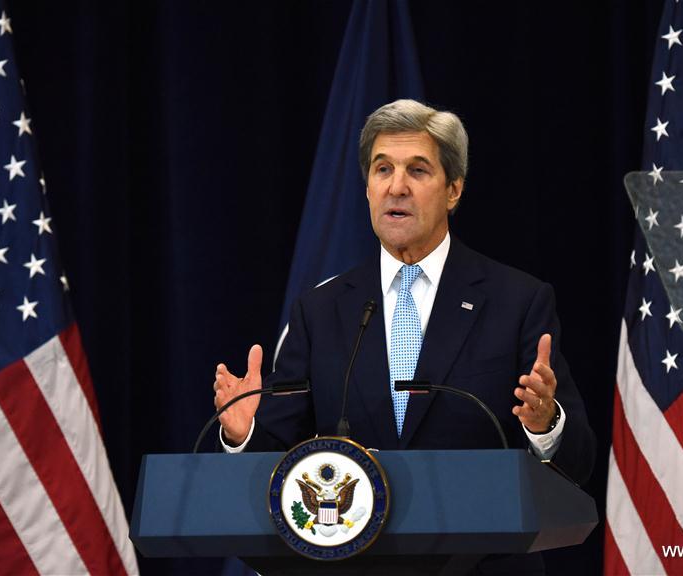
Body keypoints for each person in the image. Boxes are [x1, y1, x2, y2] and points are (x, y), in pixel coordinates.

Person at [213, 99, 595, 573]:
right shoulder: (321, 310)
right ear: (367, 188)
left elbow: (579, 462)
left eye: (418, 170)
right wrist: (244, 432)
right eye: (382, 169)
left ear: (453, 189)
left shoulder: (517, 301)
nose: (397, 187)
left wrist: (545, 425)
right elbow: (278, 460)